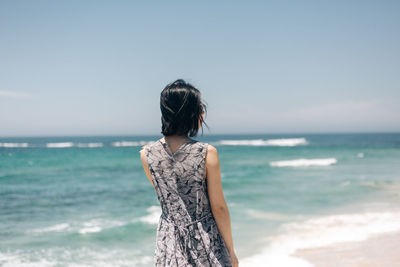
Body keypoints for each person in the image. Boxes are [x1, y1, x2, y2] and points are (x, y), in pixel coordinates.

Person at [139, 79, 239, 267]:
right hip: (205, 240)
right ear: (190, 113)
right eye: (200, 108)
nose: (203, 112)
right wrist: (231, 252)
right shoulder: (207, 153)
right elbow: (219, 208)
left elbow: (171, 199)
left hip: (168, 242)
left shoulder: (146, 154)